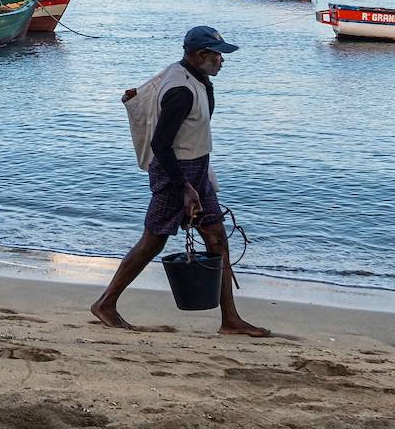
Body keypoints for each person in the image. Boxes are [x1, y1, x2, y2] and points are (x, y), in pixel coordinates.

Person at [90, 26, 270, 337]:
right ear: (200, 55)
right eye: (217, 55)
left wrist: (200, 178)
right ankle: (105, 304)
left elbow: (149, 99)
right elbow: (160, 144)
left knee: (217, 238)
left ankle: (230, 319)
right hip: (175, 174)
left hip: (197, 170)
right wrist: (185, 188)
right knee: (153, 241)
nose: (222, 60)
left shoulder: (194, 77)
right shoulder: (181, 91)